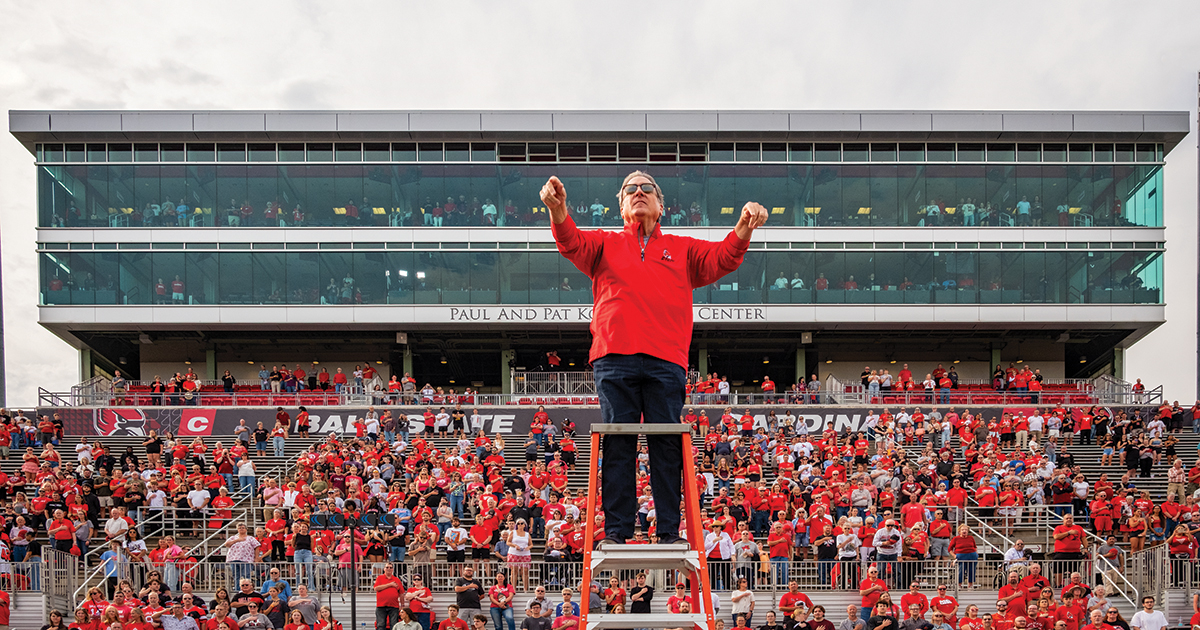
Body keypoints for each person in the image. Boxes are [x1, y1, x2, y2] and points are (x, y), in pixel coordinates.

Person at [541, 172, 766, 544]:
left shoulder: (682, 248)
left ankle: (667, 531)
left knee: (667, 443)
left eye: (647, 188)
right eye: (631, 188)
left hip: (666, 358)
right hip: (614, 355)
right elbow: (571, 242)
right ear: (622, 205)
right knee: (618, 442)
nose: (639, 192)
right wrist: (558, 209)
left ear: (661, 206)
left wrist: (743, 225)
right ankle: (615, 530)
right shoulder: (603, 244)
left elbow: (723, 259)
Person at [375, 563, 404, 630]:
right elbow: (376, 588)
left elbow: (401, 593)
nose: (389, 569)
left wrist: (402, 605)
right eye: (387, 567)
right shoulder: (379, 578)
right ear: (384, 569)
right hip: (381, 606)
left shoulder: (397, 579)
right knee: (380, 625)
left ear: (393, 569)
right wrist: (390, 584)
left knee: (394, 625)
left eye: (390, 567)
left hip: (394, 606)